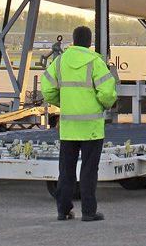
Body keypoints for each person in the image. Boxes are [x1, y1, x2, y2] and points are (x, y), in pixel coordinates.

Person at [40, 26, 117, 222]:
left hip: (68, 128)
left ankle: (63, 211)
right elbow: (107, 93)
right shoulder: (95, 62)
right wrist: (104, 105)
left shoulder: (60, 61)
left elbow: (47, 89)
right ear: (89, 42)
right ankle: (89, 212)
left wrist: (62, 102)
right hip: (91, 129)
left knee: (66, 171)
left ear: (73, 41)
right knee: (89, 171)